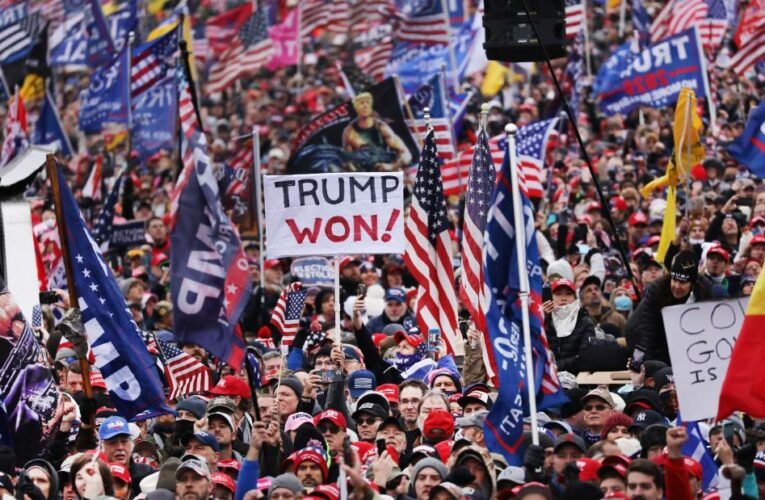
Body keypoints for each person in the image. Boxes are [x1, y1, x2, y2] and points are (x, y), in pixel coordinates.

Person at [628, 250, 712, 363]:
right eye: (675, 280)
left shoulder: (705, 290)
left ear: (692, 284)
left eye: (682, 282)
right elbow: (647, 330)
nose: (677, 286)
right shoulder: (657, 289)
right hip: (640, 330)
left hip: (673, 327)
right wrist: (644, 364)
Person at [341, 92, 412, 171]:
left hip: (389, 168)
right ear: (356, 107)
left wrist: (392, 166)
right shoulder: (349, 132)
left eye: (367, 102)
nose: (365, 106)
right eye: (361, 103)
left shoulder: (381, 126)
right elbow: (348, 161)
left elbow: (406, 154)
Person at [543, 278, 597, 373]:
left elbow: (585, 357)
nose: (563, 298)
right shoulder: (543, 320)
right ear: (551, 297)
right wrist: (540, 318)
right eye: (558, 294)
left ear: (575, 298)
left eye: (568, 294)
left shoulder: (585, 322)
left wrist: (556, 365)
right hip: (547, 374)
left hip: (577, 377)